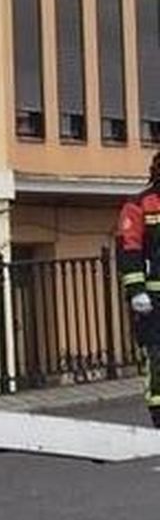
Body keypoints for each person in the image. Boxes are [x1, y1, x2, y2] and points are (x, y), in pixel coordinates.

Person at [116, 151, 160, 428]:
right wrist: (136, 291)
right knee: (157, 359)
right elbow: (129, 248)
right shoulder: (140, 205)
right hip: (155, 303)